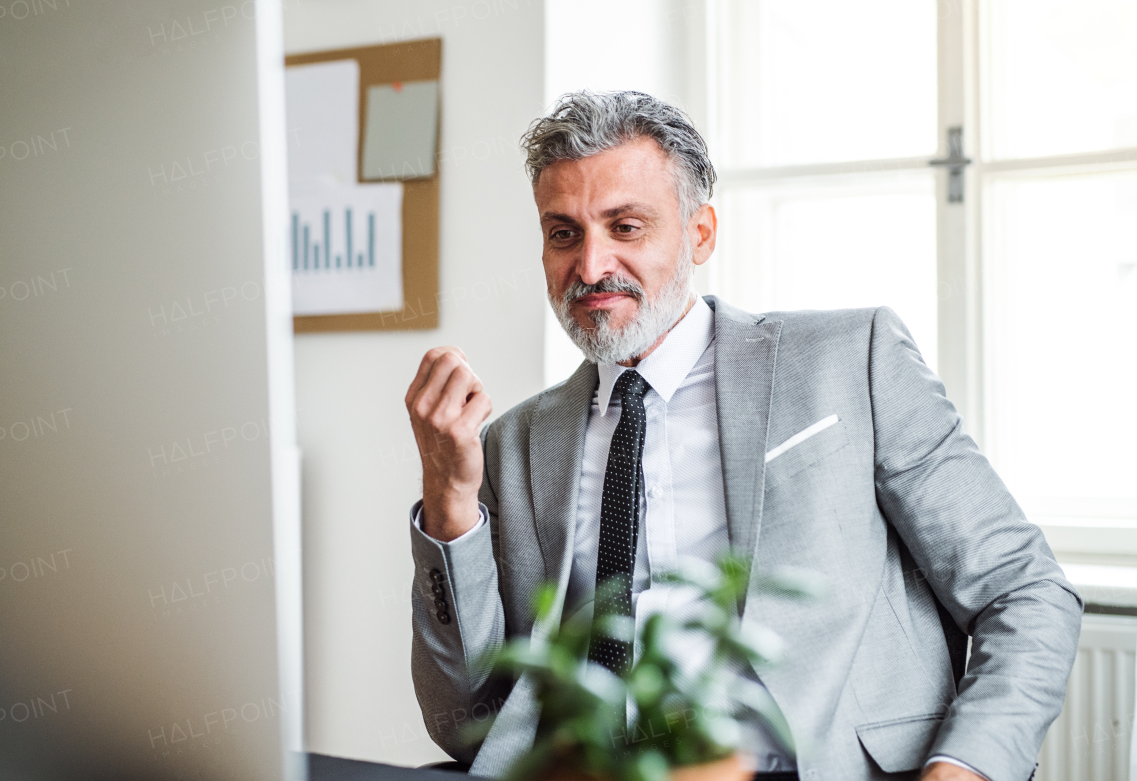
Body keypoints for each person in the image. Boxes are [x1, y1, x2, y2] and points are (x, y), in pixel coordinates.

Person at [404, 91, 1081, 781]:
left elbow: (1025, 592)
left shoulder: (851, 360)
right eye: (564, 233)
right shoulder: (514, 443)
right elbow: (469, 723)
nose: (590, 266)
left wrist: (964, 765)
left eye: (626, 227)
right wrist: (449, 502)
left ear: (700, 233)